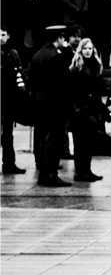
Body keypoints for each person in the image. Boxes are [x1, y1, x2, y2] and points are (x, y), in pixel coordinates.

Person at [30, 25, 73, 187]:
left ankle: (43, 173)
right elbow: (64, 83)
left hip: (40, 102)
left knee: (42, 139)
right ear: (59, 38)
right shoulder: (56, 56)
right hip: (55, 104)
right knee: (53, 141)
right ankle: (51, 174)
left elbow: (32, 80)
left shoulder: (38, 55)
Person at [68, 38, 105, 182]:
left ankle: (87, 170)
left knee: (89, 142)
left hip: (92, 108)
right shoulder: (76, 68)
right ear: (80, 50)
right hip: (80, 110)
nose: (88, 51)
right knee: (80, 143)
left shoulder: (96, 66)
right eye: (85, 48)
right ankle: (80, 172)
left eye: (90, 48)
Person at [1, 26, 27, 174]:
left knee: (8, 133)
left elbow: (20, 73)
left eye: (3, 34)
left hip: (9, 99)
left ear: (8, 36)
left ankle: (9, 163)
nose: (0, 38)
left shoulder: (13, 54)